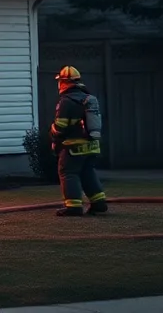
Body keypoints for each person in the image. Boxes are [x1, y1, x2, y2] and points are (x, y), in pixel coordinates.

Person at [50, 66, 108, 217]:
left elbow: (60, 127)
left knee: (68, 172)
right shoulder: (88, 98)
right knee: (87, 172)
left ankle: (73, 206)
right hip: (92, 146)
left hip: (73, 147)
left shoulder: (66, 101)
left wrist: (53, 133)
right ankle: (99, 203)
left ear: (64, 82)